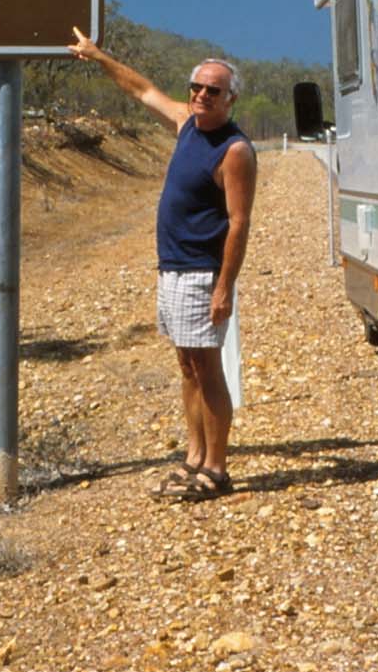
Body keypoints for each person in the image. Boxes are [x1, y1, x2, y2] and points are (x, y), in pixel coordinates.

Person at [68, 27, 255, 500]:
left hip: (200, 273)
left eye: (214, 90)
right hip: (171, 269)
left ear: (231, 98)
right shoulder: (185, 123)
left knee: (208, 370)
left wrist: (224, 287)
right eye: (197, 87)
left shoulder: (234, 151)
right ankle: (193, 457)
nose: (202, 95)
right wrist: (97, 55)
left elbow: (238, 223)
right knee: (188, 368)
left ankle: (216, 468)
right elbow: (142, 88)